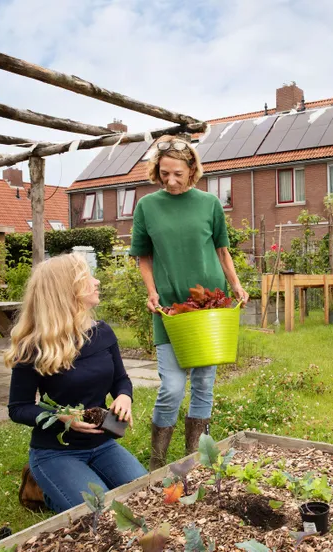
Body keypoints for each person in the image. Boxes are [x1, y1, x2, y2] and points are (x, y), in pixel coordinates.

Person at [129, 134, 250, 471]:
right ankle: (156, 463)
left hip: (210, 307)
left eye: (178, 174)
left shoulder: (209, 204)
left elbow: (222, 250)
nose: (171, 180)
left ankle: (195, 460)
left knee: (204, 384)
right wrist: (151, 292)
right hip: (169, 309)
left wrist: (237, 285)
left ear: (192, 169)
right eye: (164, 173)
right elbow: (143, 256)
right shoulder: (147, 206)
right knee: (171, 387)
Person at [6, 253, 146, 514]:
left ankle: (76, 481)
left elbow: (120, 380)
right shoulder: (33, 347)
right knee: (101, 514)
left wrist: (124, 396)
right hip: (55, 452)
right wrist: (61, 417)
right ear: (66, 291)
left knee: (147, 496)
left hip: (103, 445)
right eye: (87, 278)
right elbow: (19, 408)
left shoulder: (102, 332)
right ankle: (43, 489)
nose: (97, 282)